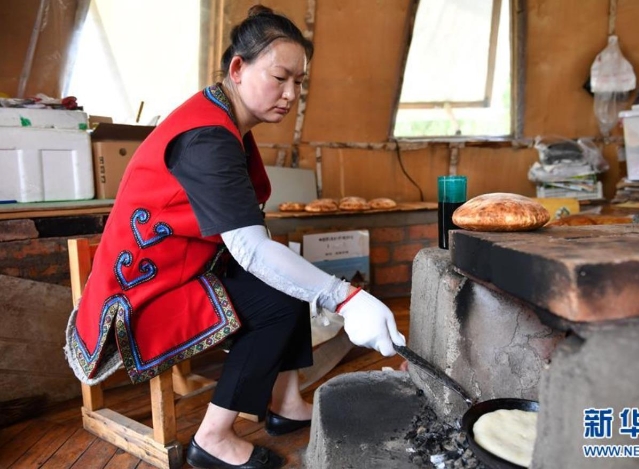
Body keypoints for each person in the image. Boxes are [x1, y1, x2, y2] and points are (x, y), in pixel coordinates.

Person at [64, 5, 405, 469]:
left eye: (299, 83)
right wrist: (345, 298)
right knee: (278, 299)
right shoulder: (208, 136)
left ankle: (284, 405)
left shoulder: (223, 116)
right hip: (138, 292)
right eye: (280, 77)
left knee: (284, 278)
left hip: (179, 266)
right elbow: (248, 248)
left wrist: (331, 293)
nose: (290, 95)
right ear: (238, 68)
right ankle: (213, 439)